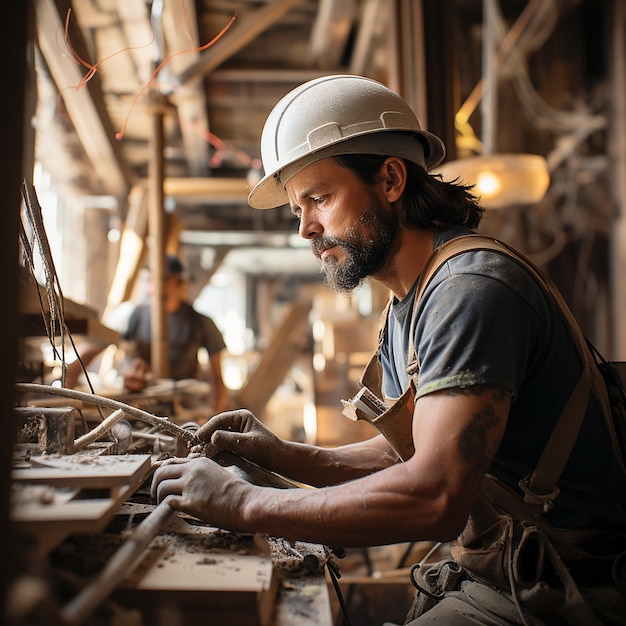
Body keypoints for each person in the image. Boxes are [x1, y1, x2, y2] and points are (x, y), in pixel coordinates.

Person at [151, 75, 626, 624]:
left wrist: (245, 505)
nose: (305, 228)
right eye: (295, 209)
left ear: (391, 179)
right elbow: (422, 450)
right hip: (507, 570)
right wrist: (284, 453)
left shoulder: (469, 291)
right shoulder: (409, 302)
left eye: (319, 198)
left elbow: (436, 493)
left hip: (572, 590)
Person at [121, 254, 228, 414]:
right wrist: (132, 373)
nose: (154, 286)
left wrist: (214, 417)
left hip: (184, 407)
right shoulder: (138, 315)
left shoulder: (199, 322)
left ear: (178, 281)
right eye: (150, 280)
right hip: (143, 405)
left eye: (162, 280)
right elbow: (125, 359)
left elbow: (217, 379)